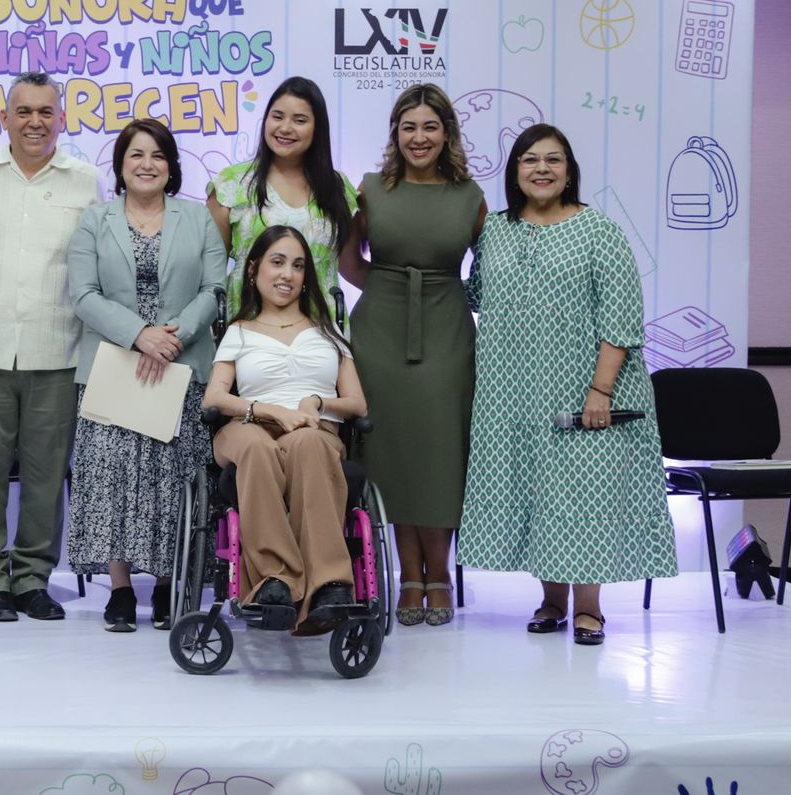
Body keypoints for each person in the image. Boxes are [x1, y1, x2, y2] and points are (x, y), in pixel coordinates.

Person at [459, 124, 677, 646]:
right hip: (513, 392)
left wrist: (600, 390)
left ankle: (589, 608)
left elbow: (622, 317)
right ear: (515, 170)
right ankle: (552, 601)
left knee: (583, 497)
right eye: (530, 159)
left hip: (584, 389)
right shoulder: (496, 230)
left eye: (553, 159)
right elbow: (476, 295)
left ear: (569, 171)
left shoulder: (599, 231)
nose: (542, 168)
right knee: (538, 493)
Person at [67, 118, 226, 632]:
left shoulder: (197, 218)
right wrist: (140, 335)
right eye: (136, 154)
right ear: (120, 166)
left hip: (181, 366)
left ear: (171, 167)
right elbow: (84, 295)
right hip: (113, 368)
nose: (147, 164)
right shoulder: (95, 220)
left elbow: (215, 288)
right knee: (111, 480)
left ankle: (165, 585)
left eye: (157, 155)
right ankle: (119, 590)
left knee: (174, 480)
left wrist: (173, 336)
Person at [0, 72, 98, 623]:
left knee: (46, 475)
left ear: (61, 118)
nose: (34, 122)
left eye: (45, 112)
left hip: (58, 350)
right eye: (23, 111)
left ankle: (34, 577)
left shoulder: (85, 182)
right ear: (4, 118)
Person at [340, 84, 486, 626]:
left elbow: (492, 267)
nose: (418, 137)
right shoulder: (371, 189)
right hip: (379, 333)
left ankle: (439, 575)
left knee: (440, 452)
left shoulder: (470, 196)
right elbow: (349, 262)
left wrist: (437, 295)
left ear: (446, 132)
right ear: (395, 134)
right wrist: (390, 291)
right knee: (392, 453)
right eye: (408, 127)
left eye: (429, 127)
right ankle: (408, 577)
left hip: (447, 333)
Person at [203, 226, 367, 636]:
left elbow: (358, 404)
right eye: (277, 262)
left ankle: (329, 584)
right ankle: (273, 579)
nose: (287, 274)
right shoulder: (239, 331)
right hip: (248, 425)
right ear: (254, 269)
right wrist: (269, 410)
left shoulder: (327, 331)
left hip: (313, 429)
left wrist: (317, 402)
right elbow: (215, 398)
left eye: (297, 265)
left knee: (308, 441)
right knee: (257, 448)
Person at [206, 76, 357, 318]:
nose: (285, 128)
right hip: (248, 325)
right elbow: (210, 273)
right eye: (277, 116)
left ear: (317, 128)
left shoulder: (339, 188)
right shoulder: (231, 184)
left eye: (299, 120)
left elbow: (350, 263)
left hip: (319, 327)